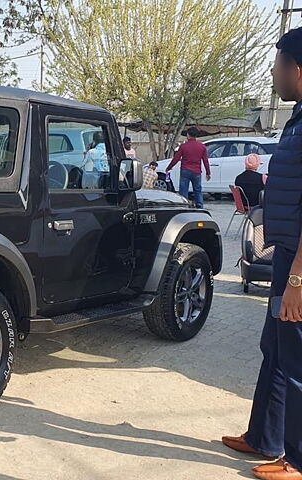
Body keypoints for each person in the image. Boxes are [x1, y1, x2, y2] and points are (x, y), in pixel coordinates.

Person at [222, 27, 302, 480]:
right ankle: (264, 438)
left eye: (276, 67)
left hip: (299, 265)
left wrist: (297, 279)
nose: (272, 75)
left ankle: (297, 460)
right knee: (274, 347)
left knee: (297, 361)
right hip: (287, 254)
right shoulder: (297, 120)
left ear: (297, 69)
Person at [165, 127, 211, 208]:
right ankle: (199, 205)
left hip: (185, 170)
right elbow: (205, 161)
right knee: (197, 190)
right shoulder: (202, 147)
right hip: (197, 171)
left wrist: (169, 167)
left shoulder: (183, 146)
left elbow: (176, 158)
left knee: (183, 190)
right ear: (196, 135)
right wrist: (208, 173)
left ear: (188, 135)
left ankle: (184, 205)